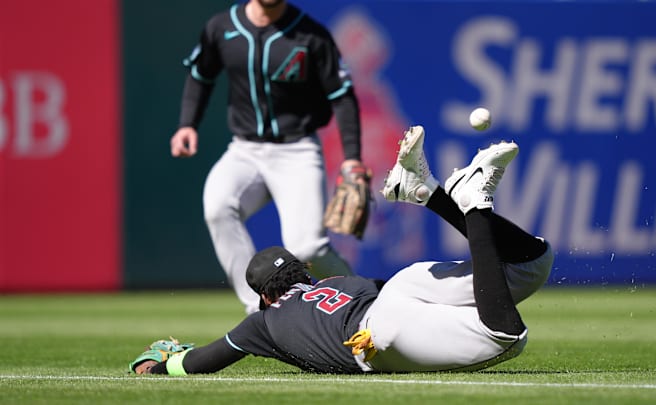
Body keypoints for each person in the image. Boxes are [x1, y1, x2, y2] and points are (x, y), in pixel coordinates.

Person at [132, 125, 553, 375]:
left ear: (264, 297)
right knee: (532, 262)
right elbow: (398, 288)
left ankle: (474, 205)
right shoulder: (339, 281)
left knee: (505, 336)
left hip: (380, 336)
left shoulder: (261, 323)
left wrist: (165, 364)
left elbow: (201, 362)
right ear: (305, 273)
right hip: (394, 290)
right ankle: (431, 195)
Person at [169, 0, 367, 313]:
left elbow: (342, 97)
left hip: (297, 150)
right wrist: (187, 125)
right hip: (244, 150)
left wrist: (352, 157)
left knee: (308, 248)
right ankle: (259, 311)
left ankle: (362, 303)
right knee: (219, 208)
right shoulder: (222, 27)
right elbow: (200, 74)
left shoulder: (312, 35)